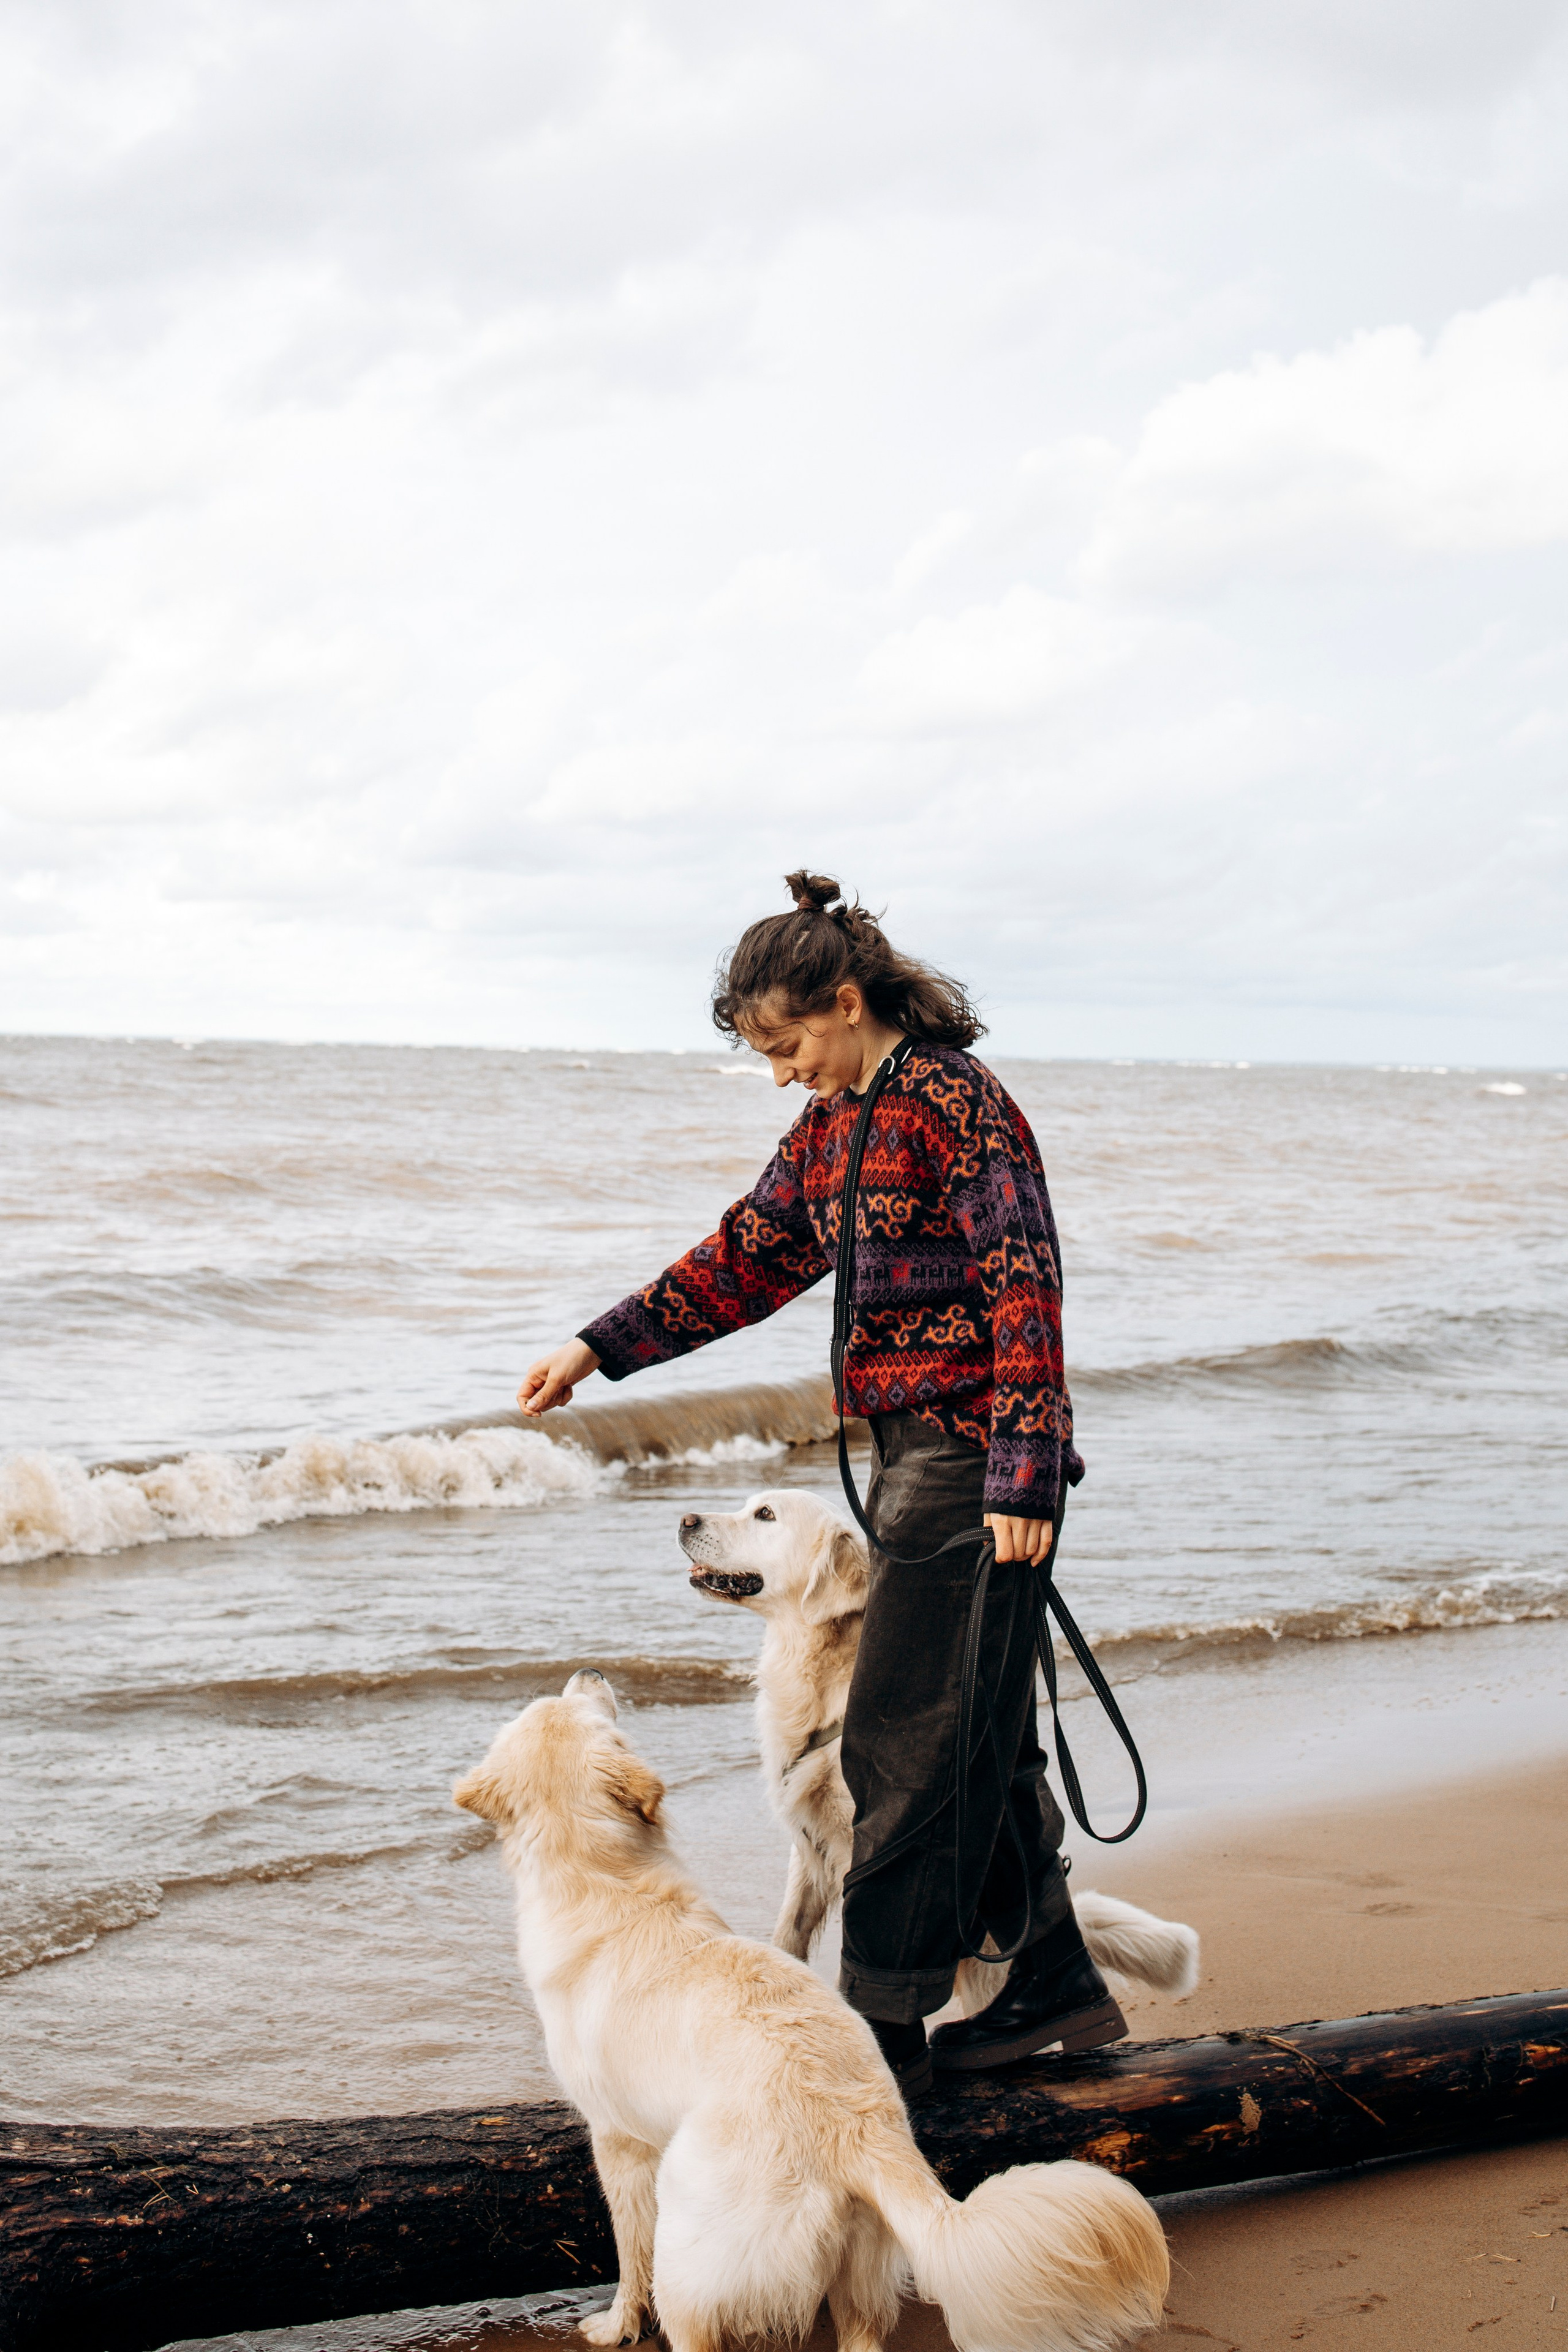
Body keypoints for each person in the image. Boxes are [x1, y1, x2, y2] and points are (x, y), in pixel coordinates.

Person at [519, 870, 1124, 2098]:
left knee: (899, 1743)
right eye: (764, 1054)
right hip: (912, 1457)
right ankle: (1053, 1984)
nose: (782, 1070)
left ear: (845, 1002)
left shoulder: (954, 1099)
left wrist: (1019, 1474)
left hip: (970, 1460)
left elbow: (1023, 1283)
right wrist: (600, 1345)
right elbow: (748, 1255)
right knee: (984, 1739)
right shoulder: (835, 1124)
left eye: (787, 1042)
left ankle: (877, 2036)